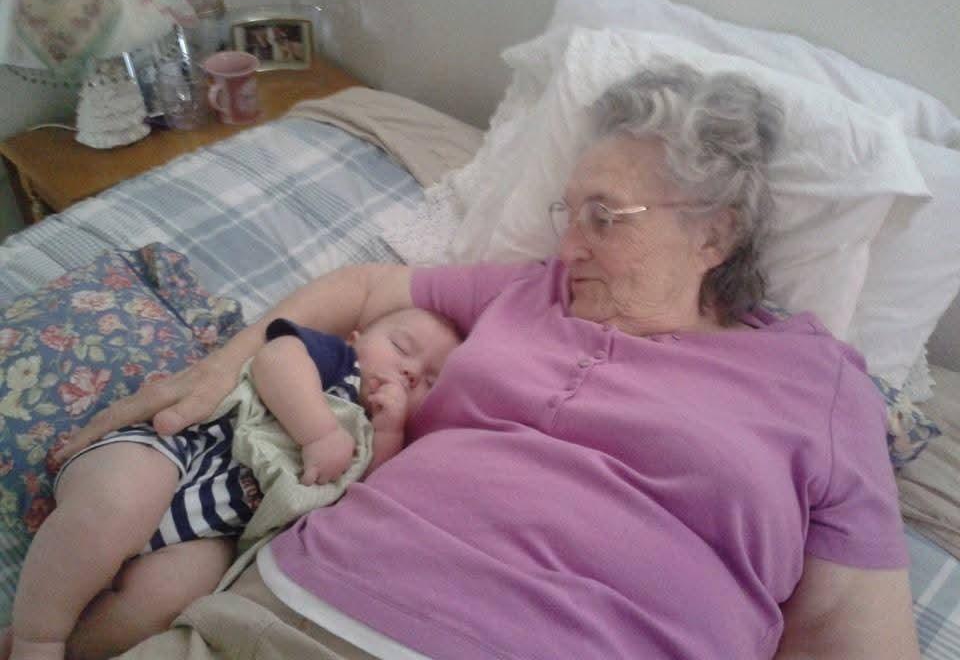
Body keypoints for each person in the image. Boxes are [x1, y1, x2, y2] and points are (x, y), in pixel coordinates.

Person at [38, 63, 919, 659]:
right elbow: (362, 285)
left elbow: (851, 631)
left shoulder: (818, 384)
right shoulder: (530, 294)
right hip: (277, 617)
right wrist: (217, 368)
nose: (567, 246)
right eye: (566, 213)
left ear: (714, 234)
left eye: (604, 217)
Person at [6, 308, 461, 660]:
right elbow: (275, 359)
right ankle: (37, 638)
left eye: (429, 381)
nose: (409, 371)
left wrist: (389, 432)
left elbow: (365, 498)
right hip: (182, 452)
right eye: (401, 346)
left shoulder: (385, 435)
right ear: (356, 338)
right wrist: (319, 433)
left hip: (219, 529)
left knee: (169, 600)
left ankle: (61, 643)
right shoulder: (337, 363)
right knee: (115, 506)